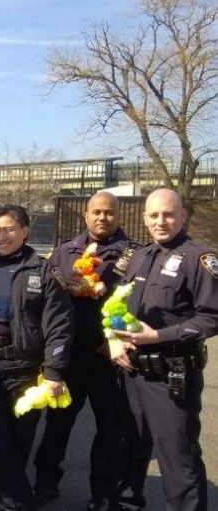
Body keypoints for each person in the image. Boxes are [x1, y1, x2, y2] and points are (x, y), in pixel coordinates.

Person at [0, 204, 73, 511]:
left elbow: (59, 325)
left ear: (25, 231)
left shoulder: (43, 271)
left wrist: (54, 371)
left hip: (25, 369)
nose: (1, 236)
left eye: (9, 229)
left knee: (19, 439)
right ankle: (20, 503)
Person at [107, 188, 218, 511]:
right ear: (144, 219)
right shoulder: (139, 256)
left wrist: (159, 335)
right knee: (128, 450)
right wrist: (114, 339)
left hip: (171, 377)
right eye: (154, 215)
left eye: (169, 214)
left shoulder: (200, 258)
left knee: (178, 461)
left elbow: (212, 317)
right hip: (132, 372)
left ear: (182, 215)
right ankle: (125, 504)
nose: (161, 221)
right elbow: (116, 305)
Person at [32, 191, 140, 510]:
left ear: (118, 215)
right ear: (86, 215)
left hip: (112, 357)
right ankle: (45, 483)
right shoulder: (65, 252)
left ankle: (103, 492)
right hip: (71, 355)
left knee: (111, 429)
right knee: (57, 424)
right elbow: (48, 303)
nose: (102, 217)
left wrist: (118, 339)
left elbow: (143, 304)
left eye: (109, 212)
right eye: (96, 212)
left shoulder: (136, 255)